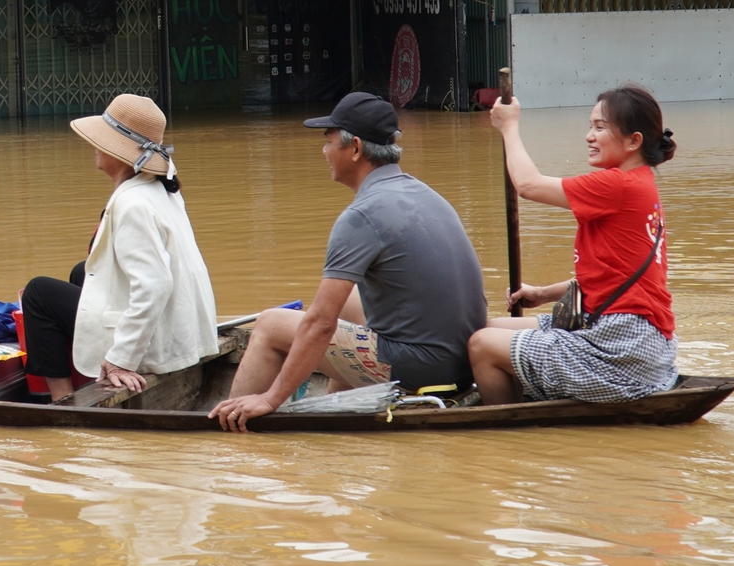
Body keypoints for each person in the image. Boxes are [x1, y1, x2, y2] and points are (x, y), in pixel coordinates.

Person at [213, 93, 487, 432]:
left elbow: (320, 325)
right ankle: (334, 409)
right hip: (460, 360)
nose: (324, 152)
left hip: (424, 371)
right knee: (349, 301)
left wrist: (270, 399)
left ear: (355, 148)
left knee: (270, 324)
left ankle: (228, 427)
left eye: (328, 142)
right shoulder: (422, 192)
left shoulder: (362, 215)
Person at [469, 85, 677, 405]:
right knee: (486, 326)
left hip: (621, 346)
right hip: (632, 337)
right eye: (590, 126)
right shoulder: (639, 183)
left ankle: (506, 434)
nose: (589, 136)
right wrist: (542, 293)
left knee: (481, 344)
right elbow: (614, 275)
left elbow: (527, 185)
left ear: (634, 140)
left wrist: (509, 127)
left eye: (599, 127)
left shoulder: (618, 184)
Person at [19, 94, 219, 402]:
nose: (95, 146)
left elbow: (154, 285)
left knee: (37, 293)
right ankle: (86, 372)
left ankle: (63, 400)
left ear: (120, 151)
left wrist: (121, 358)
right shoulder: (159, 188)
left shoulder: (132, 203)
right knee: (82, 273)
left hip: (157, 345)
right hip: (181, 331)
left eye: (102, 140)